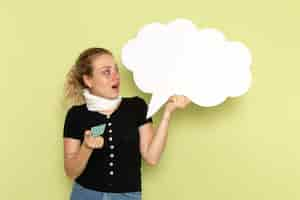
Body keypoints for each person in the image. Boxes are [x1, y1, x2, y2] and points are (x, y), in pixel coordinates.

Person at [63, 47, 190, 200]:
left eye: (116, 70)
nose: (115, 76)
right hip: (86, 195)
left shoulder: (136, 107)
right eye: (106, 72)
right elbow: (71, 172)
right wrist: (86, 147)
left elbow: (152, 157)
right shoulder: (76, 115)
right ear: (88, 80)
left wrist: (167, 113)